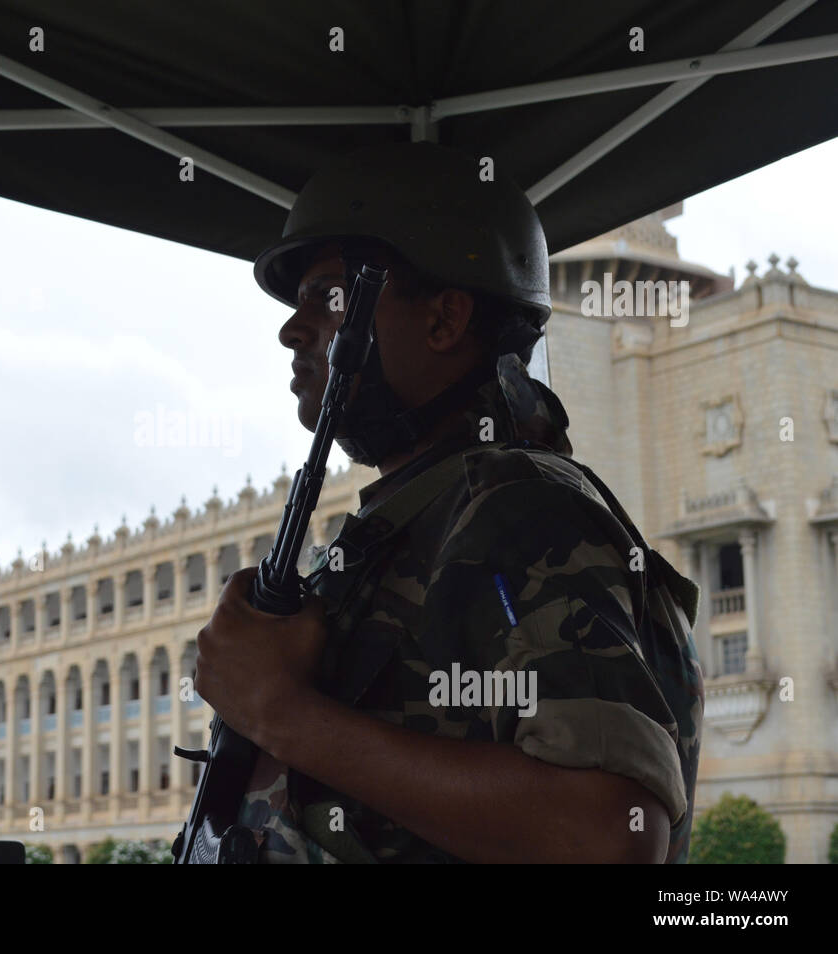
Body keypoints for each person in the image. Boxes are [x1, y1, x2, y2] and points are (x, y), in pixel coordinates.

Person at [192, 141, 704, 863]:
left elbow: (605, 837)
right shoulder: (414, 517)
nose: (292, 328)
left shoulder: (519, 508)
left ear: (443, 321)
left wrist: (278, 711)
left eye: (328, 297)